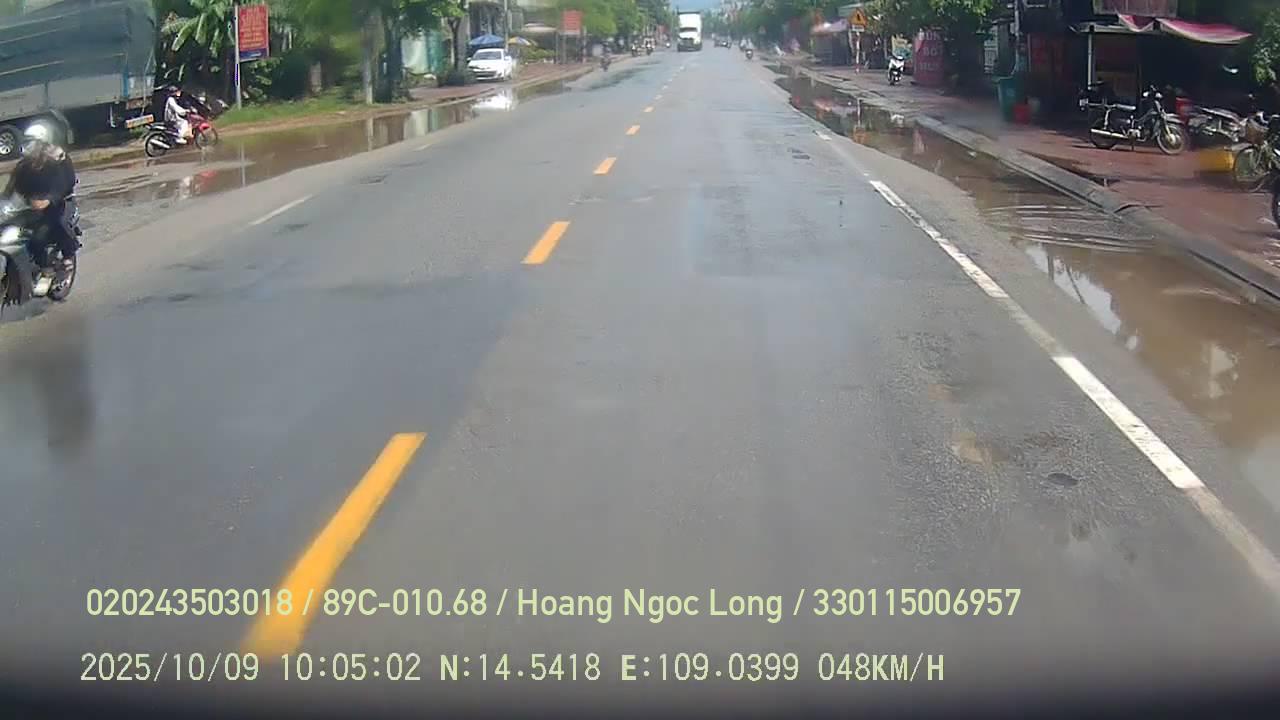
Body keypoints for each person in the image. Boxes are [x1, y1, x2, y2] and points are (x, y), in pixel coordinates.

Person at [3, 125, 79, 271]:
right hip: (32, 206)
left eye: (32, 141)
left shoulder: (58, 160)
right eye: (26, 141)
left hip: (60, 203)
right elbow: (13, 184)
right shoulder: (24, 164)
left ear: (43, 143)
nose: (28, 145)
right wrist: (5, 199)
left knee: (41, 234)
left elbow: (65, 182)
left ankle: (59, 260)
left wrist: (49, 199)